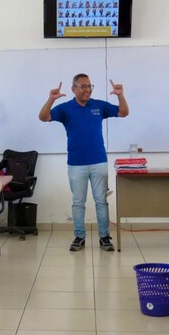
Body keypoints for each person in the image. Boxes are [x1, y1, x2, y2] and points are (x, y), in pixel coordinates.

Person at [39, 74, 129, 252]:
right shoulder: (65, 108)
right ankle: (79, 237)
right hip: (76, 163)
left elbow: (123, 112)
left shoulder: (99, 105)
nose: (87, 89)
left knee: (101, 201)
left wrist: (120, 95)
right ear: (73, 89)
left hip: (99, 162)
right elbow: (43, 117)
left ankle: (104, 237)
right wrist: (51, 99)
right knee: (78, 202)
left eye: (89, 86)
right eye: (83, 86)